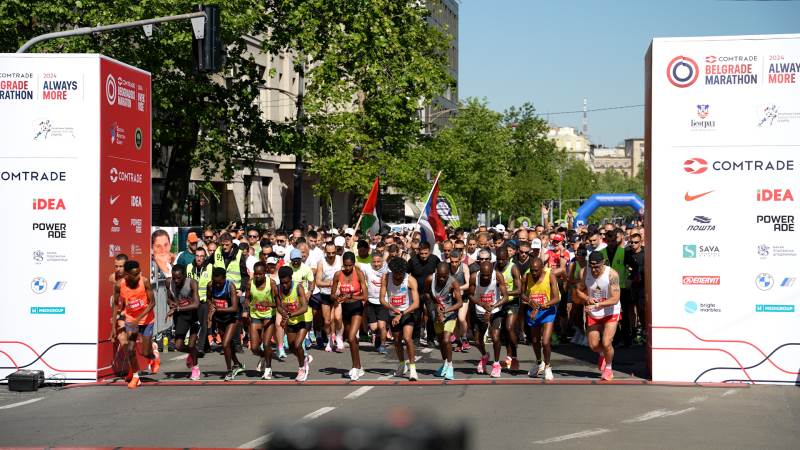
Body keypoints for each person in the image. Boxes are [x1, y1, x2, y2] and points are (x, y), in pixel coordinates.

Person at [112, 260, 159, 389]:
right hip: (130, 319)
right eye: (135, 274)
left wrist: (139, 318)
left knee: (145, 352)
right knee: (131, 349)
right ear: (127, 274)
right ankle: (136, 377)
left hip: (146, 320)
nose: (138, 275)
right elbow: (116, 305)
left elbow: (152, 303)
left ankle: (153, 356)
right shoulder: (119, 285)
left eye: (139, 272)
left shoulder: (144, 282)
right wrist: (113, 328)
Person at [575, 251, 621, 381]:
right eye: (592, 266)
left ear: (604, 263)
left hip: (611, 311)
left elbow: (615, 298)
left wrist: (597, 305)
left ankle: (609, 368)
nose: (594, 269)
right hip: (593, 312)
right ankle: (602, 354)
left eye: (597, 266)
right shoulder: (584, 272)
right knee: (594, 345)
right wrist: (586, 297)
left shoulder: (612, 274)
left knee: (606, 342)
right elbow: (578, 290)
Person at [380, 257, 421, 381]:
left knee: (407, 338)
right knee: (397, 340)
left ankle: (413, 369)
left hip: (407, 312)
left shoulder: (410, 280)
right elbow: (382, 299)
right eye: (396, 274)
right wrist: (392, 308)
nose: (398, 276)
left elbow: (416, 303)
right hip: (393, 312)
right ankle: (402, 364)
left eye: (401, 274)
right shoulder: (386, 278)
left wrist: (401, 313)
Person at [467, 260, 509, 378]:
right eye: (483, 275)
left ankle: (496, 364)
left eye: (488, 275)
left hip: (495, 309)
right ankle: (485, 356)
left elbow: (505, 297)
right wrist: (482, 304)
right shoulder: (474, 277)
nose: (485, 277)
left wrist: (492, 307)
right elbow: (470, 295)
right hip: (480, 309)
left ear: (492, 272)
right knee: (478, 341)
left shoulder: (498, 276)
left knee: (495, 337)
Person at [521, 258, 560, 380]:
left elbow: (556, 298)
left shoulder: (550, 275)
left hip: (547, 311)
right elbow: (521, 294)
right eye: (532, 270)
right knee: (534, 340)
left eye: (536, 271)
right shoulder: (526, 276)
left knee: (546, 341)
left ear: (542, 268)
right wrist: (529, 301)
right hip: (533, 311)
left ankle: (548, 366)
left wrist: (544, 305)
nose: (533, 273)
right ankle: (539, 363)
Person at [331, 252, 368, 380]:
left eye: (349, 266)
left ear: (353, 264)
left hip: (357, 308)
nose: (347, 268)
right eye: (345, 266)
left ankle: (355, 367)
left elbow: (365, 296)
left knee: (352, 337)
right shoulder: (337, 275)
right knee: (351, 340)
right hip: (345, 309)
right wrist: (338, 297)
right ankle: (359, 367)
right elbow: (332, 295)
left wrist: (351, 296)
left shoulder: (359, 274)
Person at [425, 262, 463, 380]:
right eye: (440, 276)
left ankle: (450, 366)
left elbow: (460, 303)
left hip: (450, 314)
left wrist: (446, 311)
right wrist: (436, 305)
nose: (442, 278)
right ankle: (445, 364)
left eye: (444, 276)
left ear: (448, 274)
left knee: (447, 339)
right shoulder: (430, 279)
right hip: (436, 314)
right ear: (436, 272)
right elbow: (426, 294)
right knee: (441, 341)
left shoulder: (453, 282)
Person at [207, 267, 245, 381]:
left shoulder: (230, 287)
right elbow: (209, 299)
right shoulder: (210, 285)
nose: (217, 285)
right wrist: (211, 305)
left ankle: (229, 371)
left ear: (224, 279)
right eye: (215, 282)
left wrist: (216, 309)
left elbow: (233, 308)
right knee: (227, 345)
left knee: (224, 344)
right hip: (220, 318)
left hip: (232, 317)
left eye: (219, 283)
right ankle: (238, 364)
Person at [277, 265, 313, 382]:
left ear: (291, 278)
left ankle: (302, 368)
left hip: (304, 319)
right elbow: (278, 306)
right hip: (292, 321)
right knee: (292, 347)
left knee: (298, 345)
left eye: (287, 282)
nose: (284, 285)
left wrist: (290, 315)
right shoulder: (278, 289)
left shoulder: (298, 287)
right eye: (282, 283)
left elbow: (304, 308)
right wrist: (284, 313)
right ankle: (305, 358)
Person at [243, 262, 279, 379]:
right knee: (254, 348)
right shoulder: (250, 283)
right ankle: (263, 356)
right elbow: (247, 298)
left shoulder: (272, 284)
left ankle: (268, 369)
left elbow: (279, 304)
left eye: (260, 274)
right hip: (256, 315)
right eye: (256, 274)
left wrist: (269, 304)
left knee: (267, 343)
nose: (257, 276)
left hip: (269, 315)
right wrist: (246, 309)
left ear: (265, 273)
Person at [166, 265, 201, 381]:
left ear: (184, 276)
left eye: (179, 278)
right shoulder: (169, 282)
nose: (176, 281)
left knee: (191, 344)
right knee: (178, 345)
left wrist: (177, 309)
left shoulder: (192, 283)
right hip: (181, 316)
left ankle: (195, 368)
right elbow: (169, 298)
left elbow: (196, 304)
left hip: (194, 314)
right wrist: (171, 304)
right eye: (174, 278)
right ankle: (193, 353)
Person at [408, 242, 440, 345]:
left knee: (432, 315)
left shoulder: (435, 259)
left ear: (429, 251)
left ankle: (430, 339)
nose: (423, 256)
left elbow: (441, 272)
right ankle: (416, 338)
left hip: (430, 293)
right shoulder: (412, 261)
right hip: (416, 292)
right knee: (417, 317)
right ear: (418, 251)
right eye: (421, 253)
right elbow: (406, 275)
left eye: (426, 253)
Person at [495, 247, 522, 370]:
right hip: (500, 303)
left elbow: (519, 290)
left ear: (508, 258)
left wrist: (505, 293)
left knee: (509, 327)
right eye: (498, 259)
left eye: (503, 260)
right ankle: (509, 357)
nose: (500, 262)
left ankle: (515, 356)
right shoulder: (494, 267)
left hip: (512, 302)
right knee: (502, 333)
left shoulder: (513, 268)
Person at [316, 242, 343, 352]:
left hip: (337, 294)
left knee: (337, 318)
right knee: (327, 321)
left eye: (333, 252)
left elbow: (344, 276)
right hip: (325, 294)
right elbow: (318, 282)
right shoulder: (321, 262)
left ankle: (338, 336)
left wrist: (338, 285)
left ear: (336, 251)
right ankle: (329, 341)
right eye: (328, 253)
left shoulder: (340, 259)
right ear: (325, 252)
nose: (331, 255)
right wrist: (330, 283)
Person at [360, 251, 390, 354]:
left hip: (383, 301)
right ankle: (378, 336)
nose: (376, 264)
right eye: (374, 262)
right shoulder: (367, 267)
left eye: (379, 262)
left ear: (382, 261)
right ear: (371, 261)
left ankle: (382, 345)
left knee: (382, 326)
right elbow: (355, 264)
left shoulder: (387, 269)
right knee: (374, 327)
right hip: (371, 301)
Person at [187, 247, 213, 355]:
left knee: (204, 323)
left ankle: (200, 348)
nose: (199, 258)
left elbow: (212, 284)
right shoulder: (189, 267)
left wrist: (211, 301)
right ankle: (206, 346)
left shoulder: (210, 267)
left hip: (204, 300)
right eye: (197, 256)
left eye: (202, 256)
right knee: (194, 323)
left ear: (205, 257)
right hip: (193, 301)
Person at [448, 249, 471, 353]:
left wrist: (458, 289)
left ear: (460, 260)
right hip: (451, 297)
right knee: (454, 321)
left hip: (463, 296)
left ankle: (465, 337)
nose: (454, 264)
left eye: (456, 261)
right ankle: (458, 341)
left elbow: (468, 284)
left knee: (461, 318)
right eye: (452, 261)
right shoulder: (447, 267)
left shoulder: (464, 267)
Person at [108, 253, 129, 349]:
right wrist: (115, 317)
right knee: (121, 337)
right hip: (124, 310)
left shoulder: (132, 279)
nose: (118, 269)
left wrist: (122, 314)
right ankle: (129, 360)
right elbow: (116, 302)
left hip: (136, 310)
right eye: (116, 266)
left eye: (121, 266)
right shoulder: (113, 278)